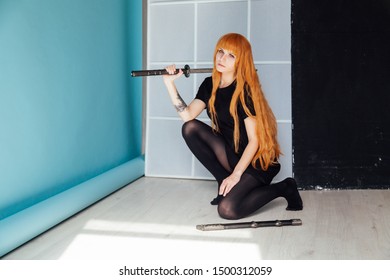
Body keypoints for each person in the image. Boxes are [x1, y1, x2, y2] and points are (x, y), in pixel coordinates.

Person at [163, 33, 302, 220]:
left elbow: (254, 141)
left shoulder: (245, 91)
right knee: (189, 128)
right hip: (231, 154)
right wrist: (169, 84)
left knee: (227, 210)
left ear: (240, 61)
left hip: (256, 161)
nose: (222, 58)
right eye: (221, 51)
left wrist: (236, 176)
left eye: (231, 55)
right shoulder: (209, 84)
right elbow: (187, 115)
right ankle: (223, 181)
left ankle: (284, 187)